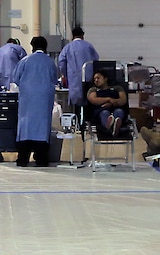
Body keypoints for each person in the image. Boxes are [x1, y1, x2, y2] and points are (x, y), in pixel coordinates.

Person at [12, 36, 58, 167]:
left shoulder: (25, 61)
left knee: (25, 127)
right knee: (42, 128)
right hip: (44, 100)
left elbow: (16, 78)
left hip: (27, 100)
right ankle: (41, 159)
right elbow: (54, 79)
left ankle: (23, 159)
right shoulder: (50, 62)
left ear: (32, 47)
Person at [58, 26, 99, 109]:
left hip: (74, 79)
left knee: (75, 105)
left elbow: (61, 61)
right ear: (82, 35)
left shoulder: (68, 48)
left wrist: (66, 75)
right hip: (89, 79)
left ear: (72, 36)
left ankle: (77, 118)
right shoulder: (89, 46)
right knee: (89, 101)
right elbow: (96, 60)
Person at [86, 71, 127, 136]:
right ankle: (111, 129)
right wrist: (109, 99)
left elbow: (123, 100)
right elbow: (93, 100)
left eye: (98, 78)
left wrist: (111, 104)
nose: (96, 80)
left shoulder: (117, 88)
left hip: (116, 108)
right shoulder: (93, 90)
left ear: (105, 79)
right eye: (94, 79)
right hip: (100, 110)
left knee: (119, 112)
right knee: (105, 113)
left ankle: (114, 127)